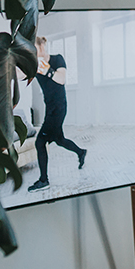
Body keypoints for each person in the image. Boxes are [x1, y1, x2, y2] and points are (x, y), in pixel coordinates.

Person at [28, 36, 87, 192]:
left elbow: (61, 79)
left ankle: (43, 180)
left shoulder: (57, 59)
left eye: (34, 48)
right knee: (59, 139)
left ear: (41, 47)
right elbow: (21, 75)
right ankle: (81, 152)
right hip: (50, 109)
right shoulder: (35, 66)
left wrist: (46, 69)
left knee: (40, 142)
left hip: (59, 108)